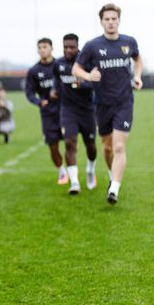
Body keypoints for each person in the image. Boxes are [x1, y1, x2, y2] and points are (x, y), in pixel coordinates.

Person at [72, 3, 143, 205]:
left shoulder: (129, 42)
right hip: (102, 104)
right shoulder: (92, 46)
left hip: (124, 102)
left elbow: (138, 60)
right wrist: (88, 75)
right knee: (108, 147)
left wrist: (137, 76)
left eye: (114, 18)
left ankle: (114, 188)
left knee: (119, 146)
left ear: (119, 20)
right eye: (107, 19)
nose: (111, 22)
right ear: (101, 21)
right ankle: (112, 174)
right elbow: (76, 69)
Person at [51, 33, 98, 194]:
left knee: (90, 145)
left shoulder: (87, 62)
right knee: (70, 143)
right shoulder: (59, 63)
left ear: (78, 47)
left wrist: (82, 85)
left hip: (87, 110)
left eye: (71, 47)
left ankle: (90, 170)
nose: (68, 50)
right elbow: (56, 79)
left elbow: (96, 82)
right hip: (68, 110)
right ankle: (75, 182)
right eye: (65, 47)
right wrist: (54, 90)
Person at [25, 38, 68, 184]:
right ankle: (62, 172)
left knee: (70, 142)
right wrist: (39, 102)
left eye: (45, 47)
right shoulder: (34, 71)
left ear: (51, 48)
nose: (42, 49)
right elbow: (29, 92)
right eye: (40, 47)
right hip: (48, 113)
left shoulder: (60, 65)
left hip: (65, 110)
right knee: (53, 145)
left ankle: (72, 171)